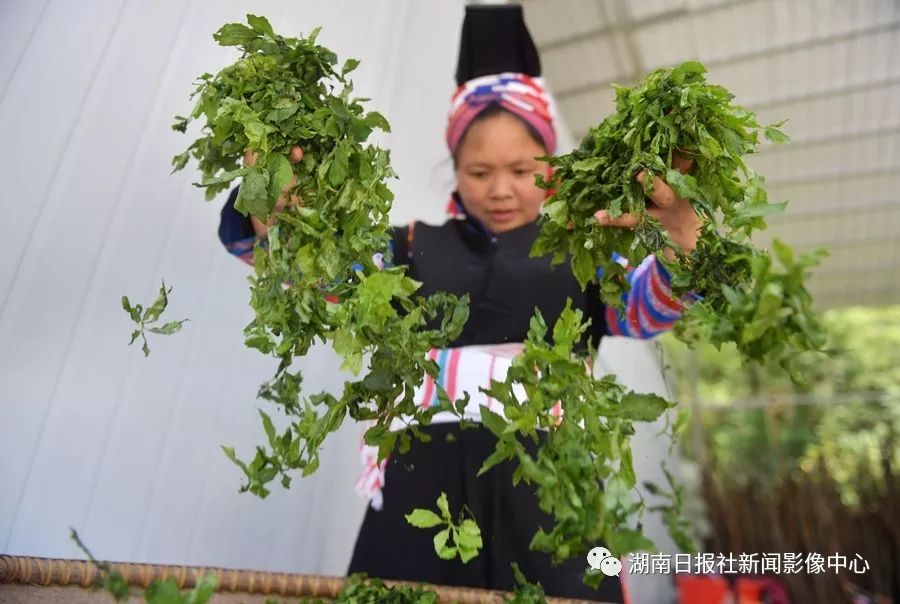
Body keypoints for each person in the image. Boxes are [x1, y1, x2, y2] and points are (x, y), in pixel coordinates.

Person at [218, 6, 699, 602]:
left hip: (554, 496)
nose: (500, 188)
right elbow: (312, 271)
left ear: (551, 164)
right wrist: (276, 210)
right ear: (455, 168)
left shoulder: (584, 252)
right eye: (479, 171)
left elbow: (648, 311)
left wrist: (683, 235)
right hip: (423, 495)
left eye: (522, 169)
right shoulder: (408, 250)